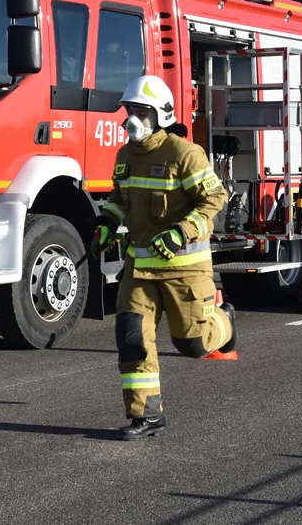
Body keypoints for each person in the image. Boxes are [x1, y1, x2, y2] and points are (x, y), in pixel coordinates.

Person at [90, 74, 237, 441]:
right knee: (132, 339)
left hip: (184, 270)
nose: (132, 119)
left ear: (160, 114)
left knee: (193, 344)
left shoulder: (184, 153)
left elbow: (215, 198)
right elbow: (120, 197)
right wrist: (107, 223)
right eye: (129, 110)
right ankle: (146, 416)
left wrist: (181, 231)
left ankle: (226, 324)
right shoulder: (126, 155)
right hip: (139, 271)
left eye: (141, 111)